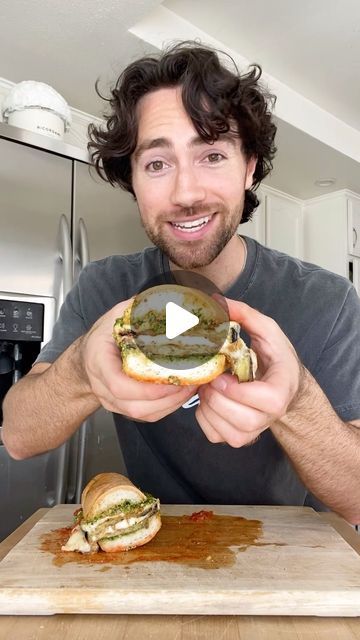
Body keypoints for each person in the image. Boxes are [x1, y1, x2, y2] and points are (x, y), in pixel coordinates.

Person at [2, 42, 360, 523]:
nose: (186, 193)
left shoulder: (327, 300)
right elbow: (18, 436)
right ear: (132, 179)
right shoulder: (104, 287)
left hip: (282, 562)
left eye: (211, 155)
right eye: (156, 164)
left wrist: (295, 401)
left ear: (249, 168)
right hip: (153, 547)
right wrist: (82, 371)